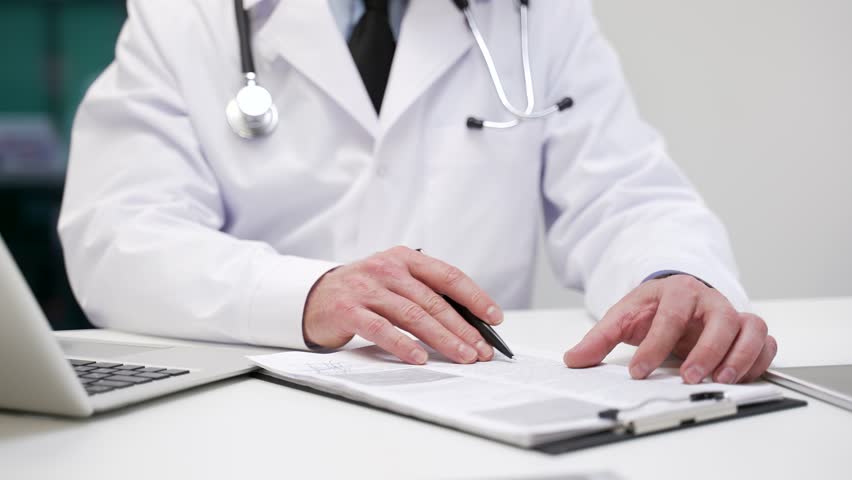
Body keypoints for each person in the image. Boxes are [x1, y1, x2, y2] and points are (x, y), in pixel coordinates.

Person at [59, 0, 776, 385]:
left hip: (477, 403)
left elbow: (625, 194)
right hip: (254, 401)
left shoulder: (537, 13)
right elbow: (119, 233)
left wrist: (673, 276)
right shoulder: (185, 14)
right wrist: (311, 294)